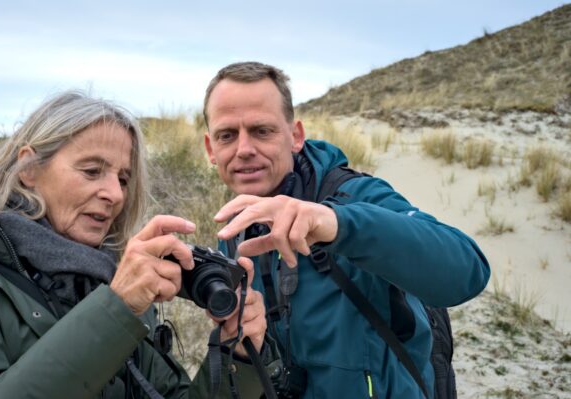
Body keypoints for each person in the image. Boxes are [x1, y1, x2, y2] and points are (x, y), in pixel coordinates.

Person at [202, 61, 491, 398]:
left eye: (262, 131)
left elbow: (467, 271)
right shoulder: (236, 231)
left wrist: (337, 224)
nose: (244, 149)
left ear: (295, 136)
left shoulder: (355, 196)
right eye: (227, 135)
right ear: (211, 150)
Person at [0, 91, 268, 398]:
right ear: (29, 168)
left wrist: (236, 355)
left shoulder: (112, 278)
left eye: (124, 179)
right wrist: (116, 310)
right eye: (91, 171)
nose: (115, 194)